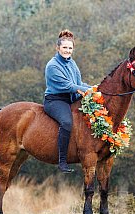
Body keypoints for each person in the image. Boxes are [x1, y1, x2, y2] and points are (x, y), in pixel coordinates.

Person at [43, 29, 91, 173]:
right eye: (64, 47)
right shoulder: (52, 66)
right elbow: (68, 86)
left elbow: (79, 82)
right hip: (55, 100)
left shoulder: (72, 63)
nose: (67, 51)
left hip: (70, 99)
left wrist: (95, 88)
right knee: (67, 122)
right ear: (58, 48)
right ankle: (62, 161)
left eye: (70, 48)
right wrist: (88, 90)